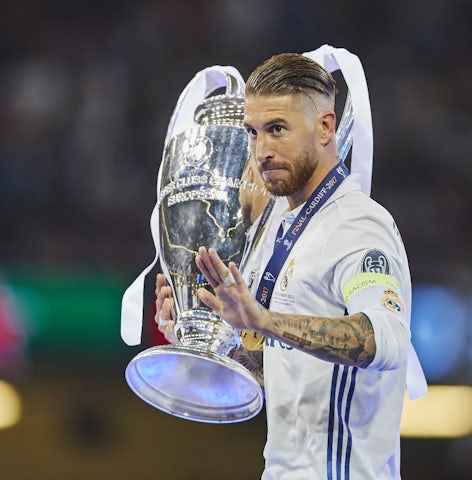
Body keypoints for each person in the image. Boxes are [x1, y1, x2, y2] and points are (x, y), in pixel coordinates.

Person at [155, 53, 414, 479]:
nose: (261, 151)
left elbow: (384, 342)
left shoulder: (358, 225)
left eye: (277, 129)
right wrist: (205, 344)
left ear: (325, 127)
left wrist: (265, 320)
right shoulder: (277, 228)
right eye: (252, 133)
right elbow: (280, 372)